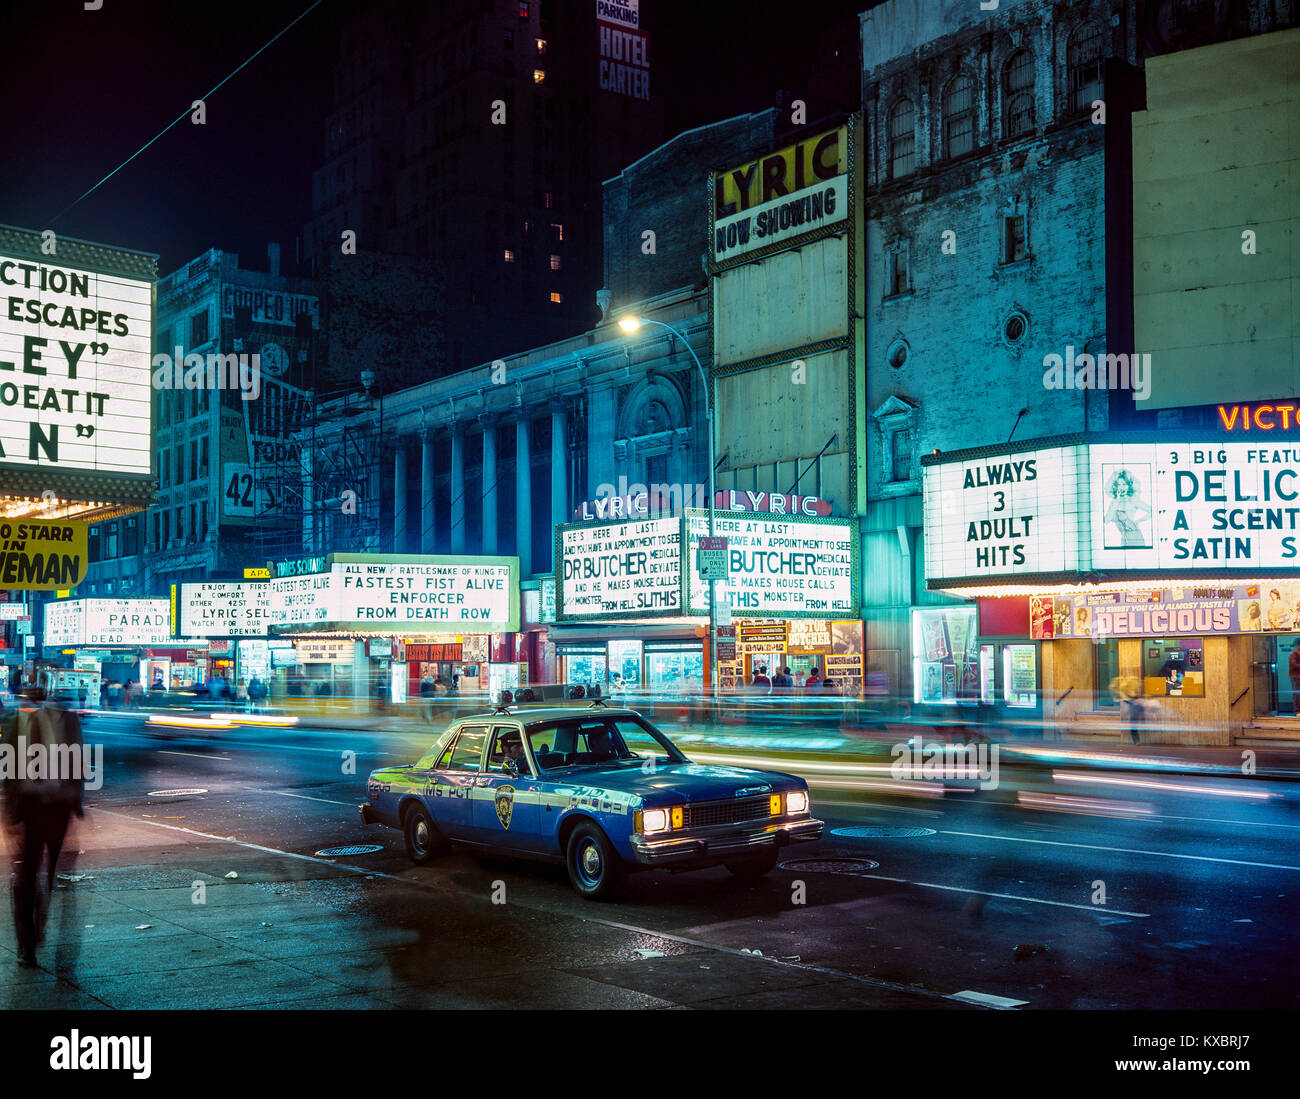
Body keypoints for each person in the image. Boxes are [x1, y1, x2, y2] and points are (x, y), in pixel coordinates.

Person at [1, 677, 85, 967]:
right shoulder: (15, 723)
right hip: (29, 808)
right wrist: (10, 812)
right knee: (25, 878)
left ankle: (42, 925)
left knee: (52, 878)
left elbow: (78, 761)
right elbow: (6, 766)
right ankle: (27, 943)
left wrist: (77, 800)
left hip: (59, 808)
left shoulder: (69, 721)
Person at [1289, 643, 1300, 716]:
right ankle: (1297, 711)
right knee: (1297, 694)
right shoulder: (1294, 653)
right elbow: (1294, 665)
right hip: (1296, 676)